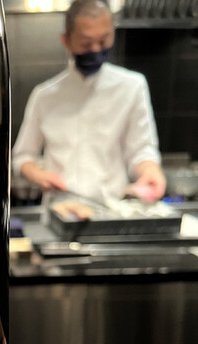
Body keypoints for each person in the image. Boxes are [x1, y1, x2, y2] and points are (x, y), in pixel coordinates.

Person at [12, 0, 166, 205]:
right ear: (66, 41)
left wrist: (150, 171)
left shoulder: (133, 87)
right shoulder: (44, 95)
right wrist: (39, 175)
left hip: (112, 210)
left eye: (103, 40)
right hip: (61, 209)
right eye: (86, 43)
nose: (95, 49)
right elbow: (22, 157)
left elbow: (142, 151)